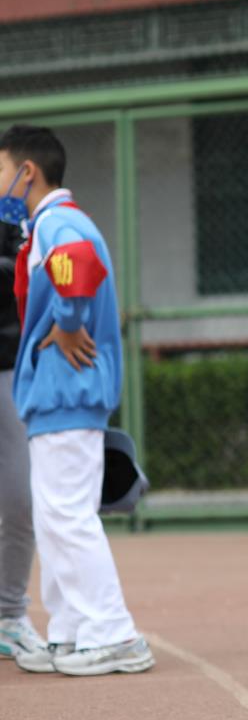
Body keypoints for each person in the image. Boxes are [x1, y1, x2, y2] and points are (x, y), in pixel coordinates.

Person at [0, 125, 152, 676]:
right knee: (57, 516)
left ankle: (114, 633)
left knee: (66, 516)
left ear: (27, 173)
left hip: (68, 390)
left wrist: (65, 323)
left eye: (0, 172)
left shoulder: (57, 222)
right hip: (57, 395)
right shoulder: (49, 223)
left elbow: (76, 266)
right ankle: (69, 631)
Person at [0, 211, 43, 662]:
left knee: (19, 497)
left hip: (7, 365)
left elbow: (27, 275)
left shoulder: (19, 215)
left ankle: (9, 616)